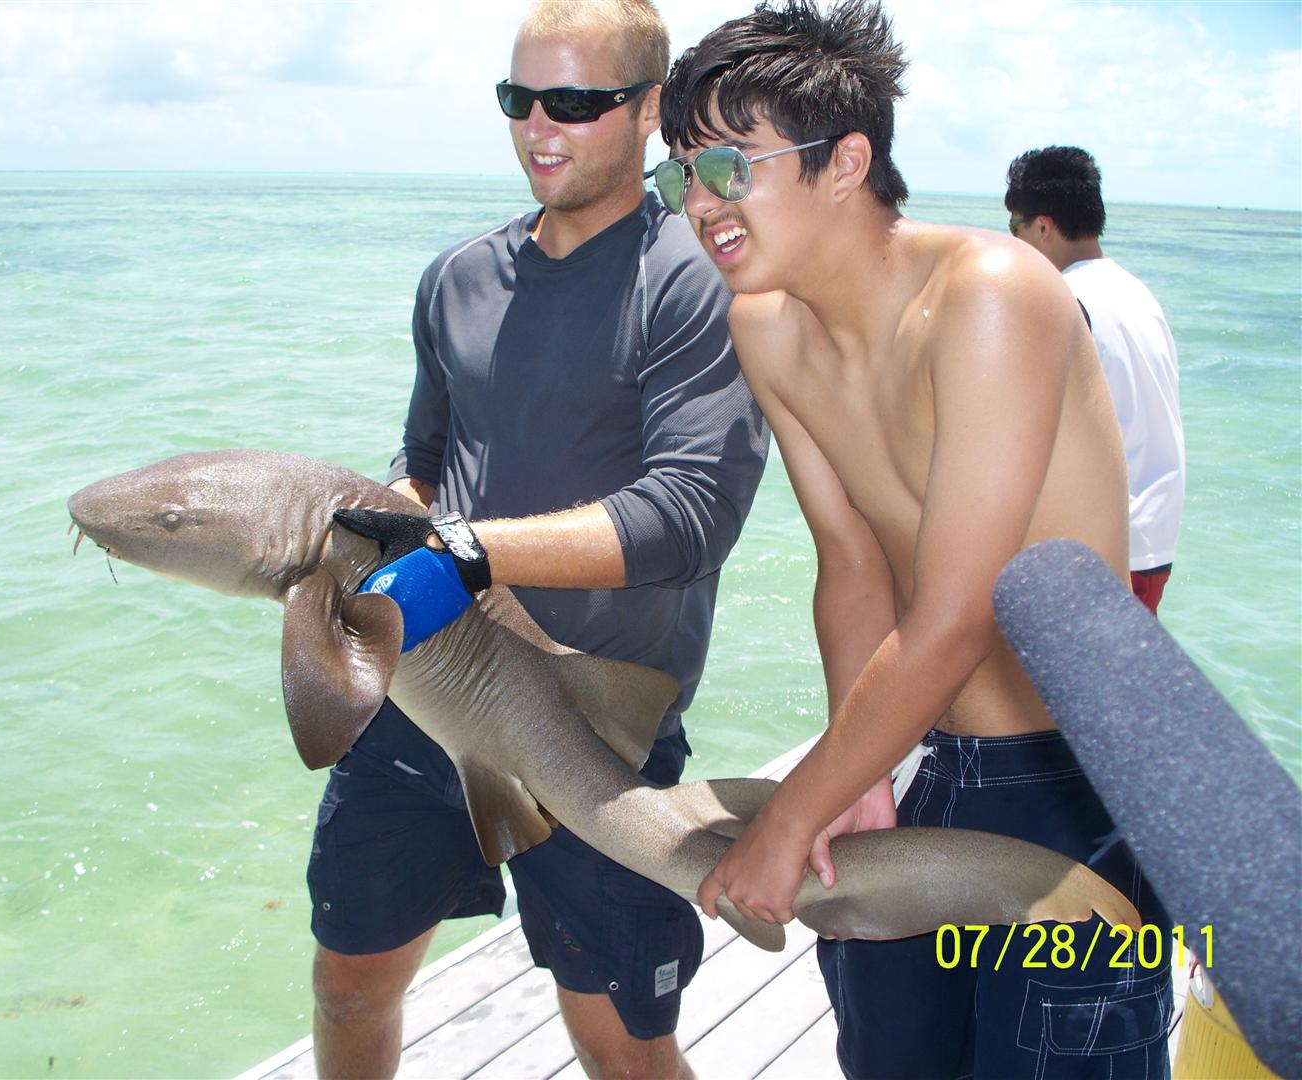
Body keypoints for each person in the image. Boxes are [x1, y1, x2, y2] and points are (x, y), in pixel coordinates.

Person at [657, 2, 1172, 1077]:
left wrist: (788, 818)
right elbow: (850, 564)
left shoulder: (991, 294)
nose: (700, 204)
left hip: (1073, 787)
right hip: (921, 763)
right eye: (681, 175)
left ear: (846, 162)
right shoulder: (765, 325)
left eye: (728, 166)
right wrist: (859, 776)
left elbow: (959, 614)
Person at [306, 2, 769, 1077]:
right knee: (348, 987)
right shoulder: (456, 278)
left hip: (592, 728)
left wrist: (468, 553)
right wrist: (383, 537)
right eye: (519, 99)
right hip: (424, 696)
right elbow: (422, 461)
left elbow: (689, 517)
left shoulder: (696, 283)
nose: (537, 128)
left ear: (650, 111)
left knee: (620, 1048)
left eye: (572, 102)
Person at [1006, 146, 1185, 614]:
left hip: (1097, 549)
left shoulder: (1064, 301)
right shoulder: (1138, 295)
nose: (1012, 244)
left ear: (1042, 227)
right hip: (1151, 540)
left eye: (1014, 228)